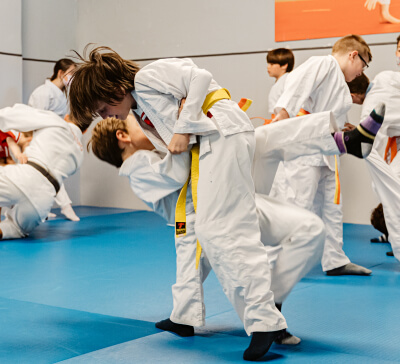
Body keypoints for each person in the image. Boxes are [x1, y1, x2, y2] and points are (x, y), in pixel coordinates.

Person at [87, 102, 385, 355]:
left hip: (230, 192)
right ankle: (257, 322)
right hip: (199, 220)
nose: (147, 125)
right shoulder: (137, 167)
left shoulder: (153, 153)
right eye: (139, 123)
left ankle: (343, 141)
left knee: (266, 147)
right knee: (216, 268)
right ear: (123, 136)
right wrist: (184, 131)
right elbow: (178, 172)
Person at [69, 47, 290, 361]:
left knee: (221, 230)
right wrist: (181, 124)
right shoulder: (140, 111)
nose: (105, 117)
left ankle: (265, 319)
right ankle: (203, 316)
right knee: (207, 234)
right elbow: (177, 155)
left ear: (115, 89)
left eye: (103, 108)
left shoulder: (147, 77)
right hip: (212, 145)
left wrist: (185, 124)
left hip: (223, 134)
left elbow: (200, 76)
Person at [268, 34, 374, 276]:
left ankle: (335, 259)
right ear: (353, 55)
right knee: (297, 205)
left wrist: (343, 126)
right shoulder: (324, 63)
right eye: (364, 64)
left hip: (327, 150)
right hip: (305, 149)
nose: (361, 72)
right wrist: (283, 115)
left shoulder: (337, 79)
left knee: (331, 208)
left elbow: (325, 110)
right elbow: (298, 88)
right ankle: (276, 262)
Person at [0, 104, 84, 240]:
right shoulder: (80, 155)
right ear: (85, 131)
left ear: (66, 117)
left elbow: (11, 115)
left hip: (24, 177)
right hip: (42, 202)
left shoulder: (56, 121)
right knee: (16, 228)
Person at [28, 58, 80, 222]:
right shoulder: (43, 92)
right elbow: (35, 118)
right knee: (50, 173)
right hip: (41, 139)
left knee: (44, 176)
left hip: (54, 138)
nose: (72, 77)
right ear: (60, 73)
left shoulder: (60, 94)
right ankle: (66, 206)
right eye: (71, 73)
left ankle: (41, 209)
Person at [267, 48, 295, 120]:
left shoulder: (288, 81)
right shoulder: (279, 82)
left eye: (272, 64)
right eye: (268, 64)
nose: (268, 67)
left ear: (284, 65)